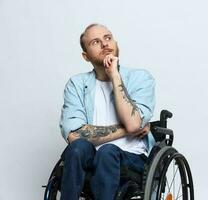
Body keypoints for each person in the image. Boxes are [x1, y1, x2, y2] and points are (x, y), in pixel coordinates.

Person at [59, 23, 155, 200]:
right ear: (85, 56)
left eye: (108, 38)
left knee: (107, 151)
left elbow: (134, 122)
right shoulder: (76, 84)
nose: (104, 44)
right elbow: (74, 135)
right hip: (91, 156)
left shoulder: (141, 78)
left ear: (116, 44)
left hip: (131, 158)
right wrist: (127, 130)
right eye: (95, 42)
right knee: (78, 147)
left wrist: (114, 76)